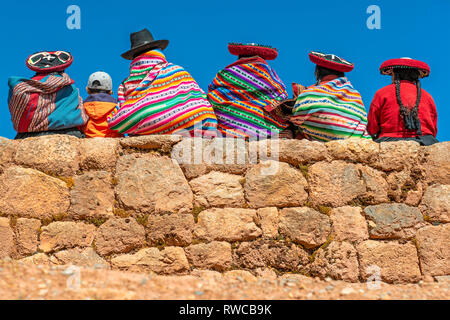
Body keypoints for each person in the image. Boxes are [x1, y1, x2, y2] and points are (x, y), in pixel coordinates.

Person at [107, 29, 217, 137]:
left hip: (146, 130)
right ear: (157, 52)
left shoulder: (126, 84)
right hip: (192, 123)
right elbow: (200, 101)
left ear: (134, 59)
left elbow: (121, 114)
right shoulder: (176, 70)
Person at [207, 43, 290, 139]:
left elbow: (212, 94)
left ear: (239, 58)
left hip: (229, 128)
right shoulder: (269, 76)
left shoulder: (227, 75)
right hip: (265, 128)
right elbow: (282, 96)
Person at [291, 51, 371, 142]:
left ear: (317, 72)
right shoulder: (355, 95)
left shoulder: (309, 94)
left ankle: (275, 153)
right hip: (356, 141)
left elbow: (296, 118)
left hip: (321, 142)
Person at [8, 51, 88, 139]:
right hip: (69, 134)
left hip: (27, 136)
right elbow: (80, 114)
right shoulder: (70, 88)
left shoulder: (20, 88)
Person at [367, 58, 438, 146]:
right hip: (425, 142)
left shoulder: (381, 93)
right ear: (416, 76)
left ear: (394, 75)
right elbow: (433, 128)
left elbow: (372, 127)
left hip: (388, 141)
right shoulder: (428, 97)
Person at [82, 71, 123, 138]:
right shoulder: (117, 106)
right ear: (110, 91)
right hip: (113, 138)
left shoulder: (83, 106)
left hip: (89, 138)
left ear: (88, 90)